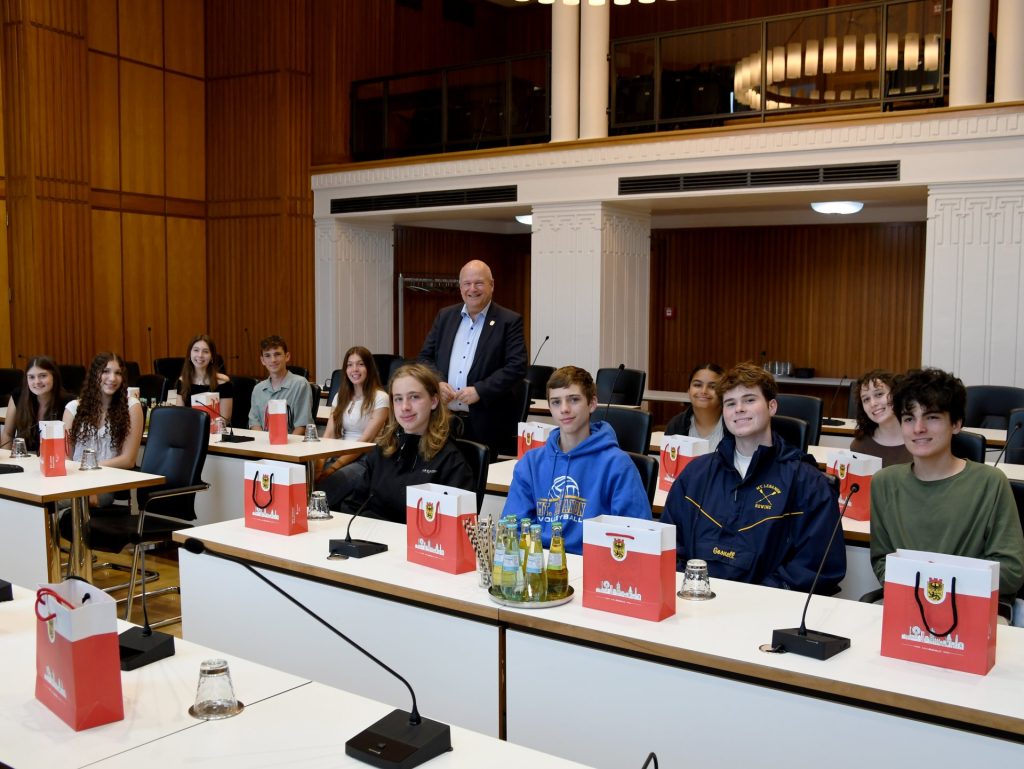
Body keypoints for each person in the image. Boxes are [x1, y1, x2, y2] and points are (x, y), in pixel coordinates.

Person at [660, 362, 845, 593]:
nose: (739, 409)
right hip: (695, 602)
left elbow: (818, 567)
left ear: (772, 406)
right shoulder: (696, 474)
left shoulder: (807, 482)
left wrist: (757, 597)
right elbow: (669, 543)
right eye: (730, 403)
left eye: (749, 400)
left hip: (767, 608)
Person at [870, 368, 1024, 600]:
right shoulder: (884, 482)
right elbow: (882, 561)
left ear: (956, 424)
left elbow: (1010, 573)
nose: (918, 428)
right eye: (909, 418)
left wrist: (936, 584)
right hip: (907, 604)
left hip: (973, 606)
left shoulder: (990, 483)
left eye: (931, 417)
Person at [502, 366, 651, 556]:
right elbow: (513, 527)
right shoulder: (531, 463)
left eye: (574, 400)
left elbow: (635, 536)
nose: (564, 409)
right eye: (556, 402)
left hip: (594, 568)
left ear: (592, 403)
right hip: (539, 566)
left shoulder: (618, 465)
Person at [317, 363, 473, 523]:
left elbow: (452, 527)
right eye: (398, 399)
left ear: (433, 401)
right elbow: (353, 505)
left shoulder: (451, 460)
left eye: (414, 397)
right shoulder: (383, 450)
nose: (405, 407)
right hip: (372, 540)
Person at [418, 259, 527, 462]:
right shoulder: (445, 316)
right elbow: (425, 358)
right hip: (444, 421)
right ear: (460, 288)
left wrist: (479, 390)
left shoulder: (508, 321)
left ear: (492, 285)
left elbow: (516, 367)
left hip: (487, 424)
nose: (472, 289)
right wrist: (437, 383)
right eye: (467, 283)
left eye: (479, 283)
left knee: (479, 487)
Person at [64, 353, 144, 505]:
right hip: (74, 482)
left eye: (118, 373)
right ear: (95, 374)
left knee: (60, 502)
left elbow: (128, 460)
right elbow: (66, 457)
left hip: (107, 483)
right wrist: (79, 479)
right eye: (106, 371)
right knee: (48, 501)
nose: (112, 378)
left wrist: (89, 468)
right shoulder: (73, 408)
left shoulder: (131, 406)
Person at [317, 346, 390, 479]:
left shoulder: (380, 397)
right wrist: (319, 465)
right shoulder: (340, 396)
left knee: (333, 480)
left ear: (369, 368)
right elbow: (328, 434)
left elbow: (365, 441)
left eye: (360, 364)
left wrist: (333, 468)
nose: (354, 369)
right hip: (340, 454)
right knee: (308, 474)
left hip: (365, 458)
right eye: (350, 365)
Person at [2, 356, 72, 453]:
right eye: (31, 377)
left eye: (43, 376)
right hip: (24, 460)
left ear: (54, 377)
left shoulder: (69, 403)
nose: (37, 382)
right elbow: (8, 434)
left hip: (54, 461)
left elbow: (70, 444)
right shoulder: (18, 396)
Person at [247, 335, 312, 435]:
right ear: (262, 360)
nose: (273, 360)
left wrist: (284, 449)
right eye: (267, 356)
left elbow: (302, 426)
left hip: (290, 446)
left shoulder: (300, 384)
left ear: (287, 356)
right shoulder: (258, 389)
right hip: (263, 446)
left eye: (277, 354)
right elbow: (254, 424)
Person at [849, 369, 910, 467]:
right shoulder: (860, 446)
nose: (873, 403)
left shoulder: (919, 438)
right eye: (866, 399)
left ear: (896, 394)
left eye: (879, 394)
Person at [664, 363, 725, 451]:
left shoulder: (733, 426)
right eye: (697, 385)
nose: (704, 391)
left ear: (723, 392)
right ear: (688, 391)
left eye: (712, 387)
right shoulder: (676, 425)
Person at [176, 334, 233, 421]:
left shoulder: (223, 382)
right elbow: (179, 415)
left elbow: (226, 418)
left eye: (205, 351)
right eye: (196, 350)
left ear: (212, 357)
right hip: (188, 430)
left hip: (214, 432)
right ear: (189, 354)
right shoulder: (182, 380)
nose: (200, 355)